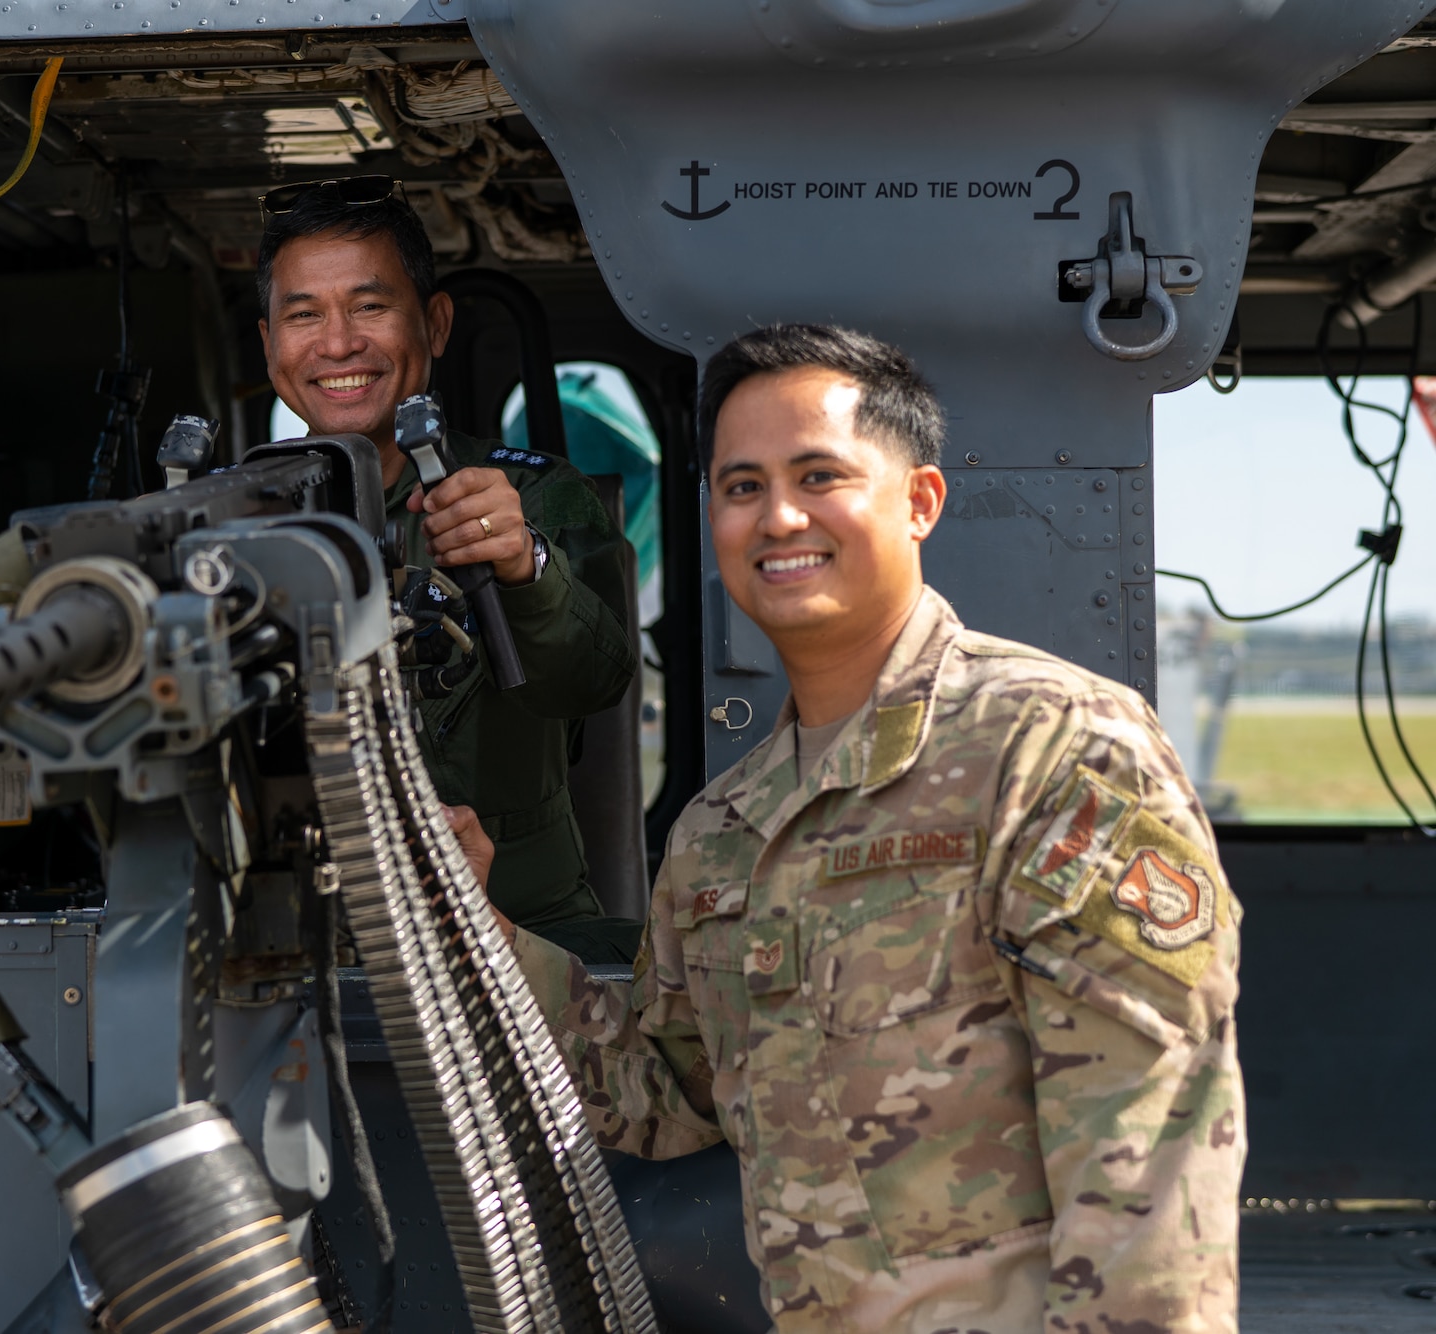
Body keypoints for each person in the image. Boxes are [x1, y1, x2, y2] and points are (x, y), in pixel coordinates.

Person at [456, 325, 1244, 1332]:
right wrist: (474, 920)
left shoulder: (1045, 744)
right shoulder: (721, 830)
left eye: (817, 474)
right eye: (740, 487)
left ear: (917, 501)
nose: (777, 515)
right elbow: (656, 1091)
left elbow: (1150, 1137)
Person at [257, 176, 642, 962]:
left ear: (433, 324)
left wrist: (524, 564)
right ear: (268, 345)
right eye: (304, 315)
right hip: (303, 949)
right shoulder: (228, 524)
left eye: (369, 307)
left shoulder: (534, 493)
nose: (337, 345)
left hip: (527, 931)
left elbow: (595, 682)